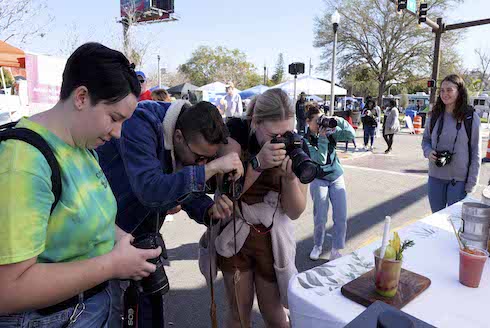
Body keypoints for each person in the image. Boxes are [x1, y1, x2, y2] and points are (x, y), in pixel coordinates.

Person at [0, 43, 161, 327]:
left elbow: (83, 215)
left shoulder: (83, 148)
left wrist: (123, 239)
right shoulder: (24, 162)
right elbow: (9, 290)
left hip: (92, 309)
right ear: (82, 97)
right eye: (114, 118)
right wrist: (112, 265)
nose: (118, 133)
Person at [97, 99, 243, 328]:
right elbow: (151, 189)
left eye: (208, 159)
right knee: (115, 314)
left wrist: (208, 209)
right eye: (199, 158)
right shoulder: (140, 122)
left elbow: (180, 175)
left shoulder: (186, 138)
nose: (201, 163)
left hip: (142, 235)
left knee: (150, 310)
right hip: (106, 235)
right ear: (177, 137)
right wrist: (211, 168)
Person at [202, 88, 308, 327]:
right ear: (256, 122)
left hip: (272, 241)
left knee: (274, 314)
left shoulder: (296, 144)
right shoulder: (237, 131)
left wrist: (290, 180)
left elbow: (295, 212)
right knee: (239, 314)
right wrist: (258, 163)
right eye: (274, 135)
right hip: (236, 236)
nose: (281, 141)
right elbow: (228, 190)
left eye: (287, 133)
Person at [422, 74, 482, 213]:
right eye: (442, 90)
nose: (444, 94)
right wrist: (428, 151)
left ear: (459, 91)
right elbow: (425, 140)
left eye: (449, 90)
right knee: (437, 220)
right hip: (435, 178)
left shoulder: (470, 118)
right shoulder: (434, 115)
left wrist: (471, 183)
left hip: (459, 182)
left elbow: (476, 152)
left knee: (453, 224)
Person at [304, 106, 355, 261]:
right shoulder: (305, 140)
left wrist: (338, 120)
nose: (321, 124)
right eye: (317, 121)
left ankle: (336, 249)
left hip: (336, 176)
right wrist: (323, 138)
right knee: (320, 217)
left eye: (322, 119)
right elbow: (320, 159)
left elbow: (350, 134)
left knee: (340, 215)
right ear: (307, 122)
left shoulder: (329, 131)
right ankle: (318, 245)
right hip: (319, 178)